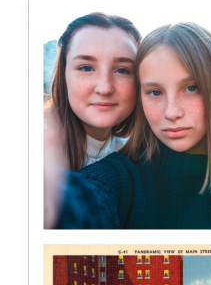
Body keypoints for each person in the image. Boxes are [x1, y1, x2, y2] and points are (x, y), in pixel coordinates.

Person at [49, 22, 211, 229]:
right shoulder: (122, 174)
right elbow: (86, 200)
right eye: (155, 92)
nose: (171, 112)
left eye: (191, 88)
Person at [47, 12, 141, 170]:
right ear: (64, 75)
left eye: (122, 70)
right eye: (86, 68)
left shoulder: (139, 160)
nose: (104, 88)